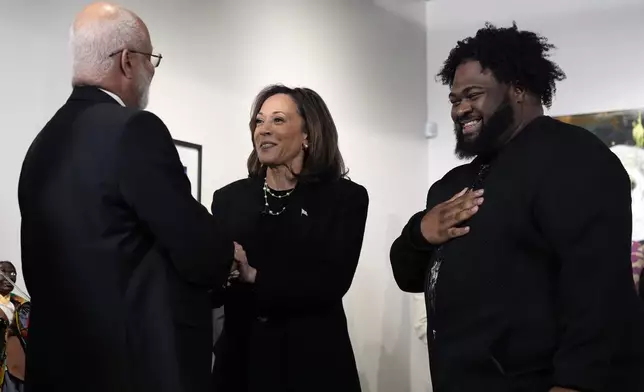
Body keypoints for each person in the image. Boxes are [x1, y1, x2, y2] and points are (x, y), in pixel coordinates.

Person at [390, 22, 644, 392]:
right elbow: (407, 274)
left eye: (473, 95)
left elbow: (600, 295)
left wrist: (576, 384)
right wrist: (420, 233)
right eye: (454, 99)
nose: (461, 109)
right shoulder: (452, 184)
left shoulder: (576, 159)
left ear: (519, 89)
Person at [18, 3, 233, 392]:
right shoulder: (135, 129)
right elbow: (196, 247)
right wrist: (228, 255)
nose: (152, 71)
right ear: (128, 61)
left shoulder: (41, 144)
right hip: (128, 370)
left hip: (56, 369)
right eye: (151, 59)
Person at [210, 84, 369, 392]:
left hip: (312, 365)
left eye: (278, 120)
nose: (264, 130)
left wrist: (254, 275)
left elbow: (331, 282)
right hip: (241, 365)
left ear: (308, 134)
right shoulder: (229, 198)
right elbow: (216, 282)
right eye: (259, 121)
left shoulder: (344, 198)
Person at [0, 262, 29, 392]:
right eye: (3, 273)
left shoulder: (21, 305)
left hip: (17, 369)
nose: (9, 278)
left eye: (12, 274)